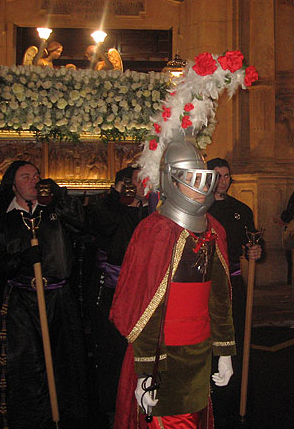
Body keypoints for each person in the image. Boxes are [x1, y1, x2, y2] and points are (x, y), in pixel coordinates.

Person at [110, 138, 235, 429]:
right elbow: (142, 308)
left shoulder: (214, 230)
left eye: (204, 180)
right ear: (171, 180)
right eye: (191, 180)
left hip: (200, 353)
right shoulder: (154, 231)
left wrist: (225, 351)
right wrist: (145, 371)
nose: (201, 188)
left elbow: (219, 300)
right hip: (162, 356)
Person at [0, 161, 87, 428]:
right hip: (23, 303)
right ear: (13, 184)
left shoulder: (55, 210)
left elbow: (81, 225)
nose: (34, 180)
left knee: (66, 362)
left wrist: (59, 197)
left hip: (59, 299)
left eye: (37, 175)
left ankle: (66, 418)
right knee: (29, 365)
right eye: (26, 176)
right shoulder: (3, 219)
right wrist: (20, 260)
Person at [85, 166, 149, 425]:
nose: (143, 184)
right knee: (114, 350)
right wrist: (119, 200)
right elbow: (105, 228)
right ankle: (113, 405)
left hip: (144, 291)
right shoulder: (106, 209)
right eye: (136, 181)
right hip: (112, 290)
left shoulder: (151, 209)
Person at [206, 157, 262, 427]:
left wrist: (256, 251)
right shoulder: (199, 209)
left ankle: (235, 396)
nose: (223, 181)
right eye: (218, 176)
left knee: (236, 337)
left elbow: (255, 243)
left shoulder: (242, 209)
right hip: (204, 286)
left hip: (233, 283)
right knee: (207, 340)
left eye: (227, 176)